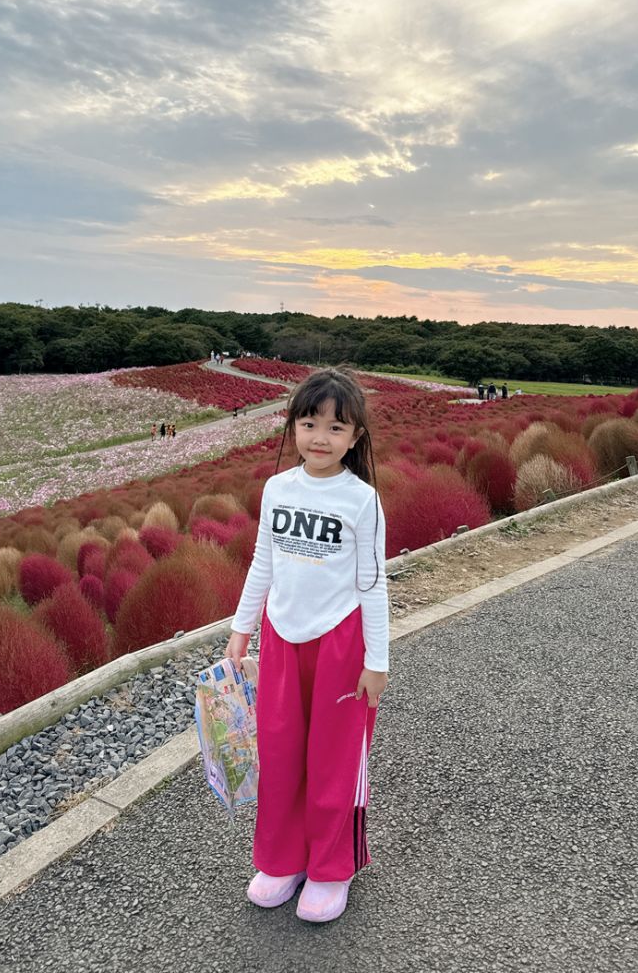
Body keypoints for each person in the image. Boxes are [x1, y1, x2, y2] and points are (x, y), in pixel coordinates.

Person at [225, 367, 388, 924]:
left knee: (333, 760)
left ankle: (330, 869)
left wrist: (377, 661)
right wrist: (240, 632)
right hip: (281, 639)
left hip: (340, 644)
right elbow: (262, 563)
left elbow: (372, 581)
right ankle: (282, 861)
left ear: (355, 437)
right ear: (292, 425)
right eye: (310, 422)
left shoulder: (361, 500)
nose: (321, 437)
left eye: (336, 427)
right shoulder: (277, 488)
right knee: (280, 753)